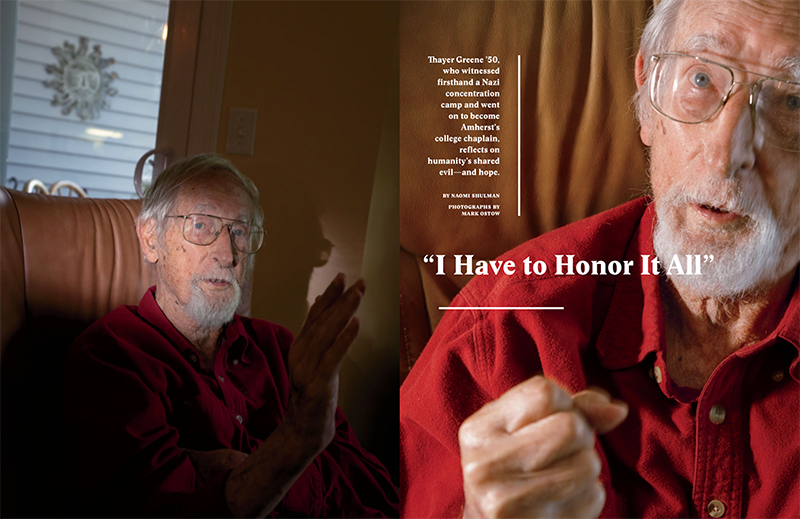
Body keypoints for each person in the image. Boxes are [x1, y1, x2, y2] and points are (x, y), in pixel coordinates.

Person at [400, 0, 800, 517]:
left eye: (792, 103)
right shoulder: (505, 326)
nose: (728, 154)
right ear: (647, 95)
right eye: (701, 78)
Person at [63, 154, 398, 519]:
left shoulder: (280, 348)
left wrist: (239, 467)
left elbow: (375, 491)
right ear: (150, 239)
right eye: (202, 226)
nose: (227, 254)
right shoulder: (111, 356)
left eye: (239, 231)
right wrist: (294, 446)